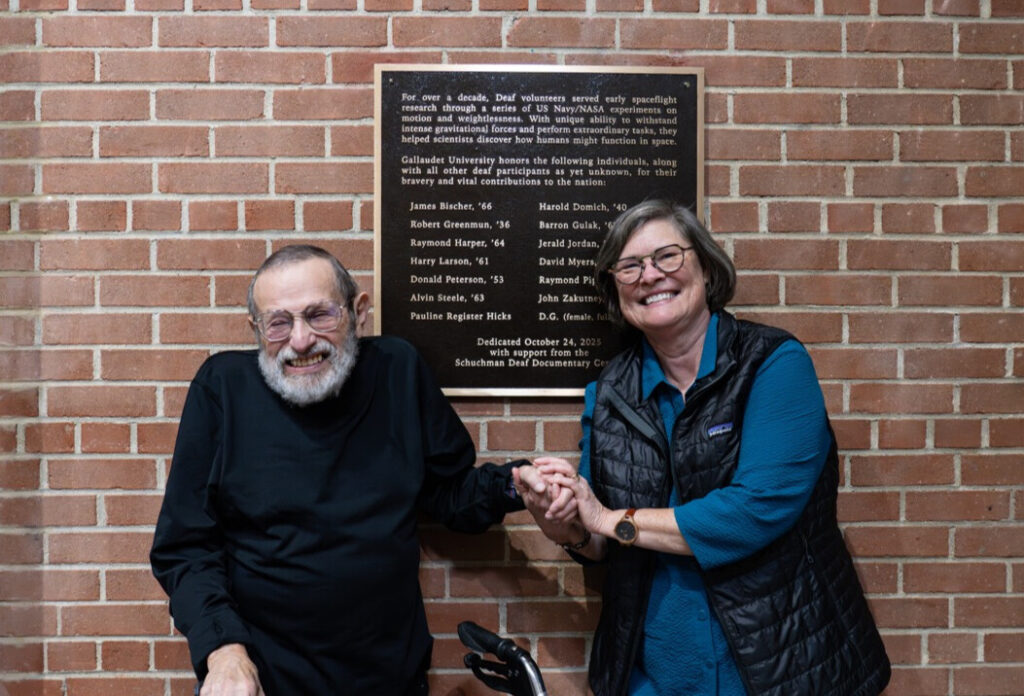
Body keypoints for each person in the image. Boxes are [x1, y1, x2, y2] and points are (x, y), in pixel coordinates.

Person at [513, 200, 891, 696]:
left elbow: (755, 511)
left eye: (667, 256)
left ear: (707, 268)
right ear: (615, 289)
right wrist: (564, 522)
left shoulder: (773, 363)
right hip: (653, 678)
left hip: (779, 669)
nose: (650, 275)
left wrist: (607, 518)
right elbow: (601, 543)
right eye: (630, 266)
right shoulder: (608, 393)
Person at [150, 244, 532, 696]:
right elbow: (185, 548)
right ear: (256, 330)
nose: (300, 340)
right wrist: (223, 651)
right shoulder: (222, 389)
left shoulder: (397, 371)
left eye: (319, 315)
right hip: (262, 680)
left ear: (359, 311)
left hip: (388, 678)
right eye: (278, 322)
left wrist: (514, 485)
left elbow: (448, 492)